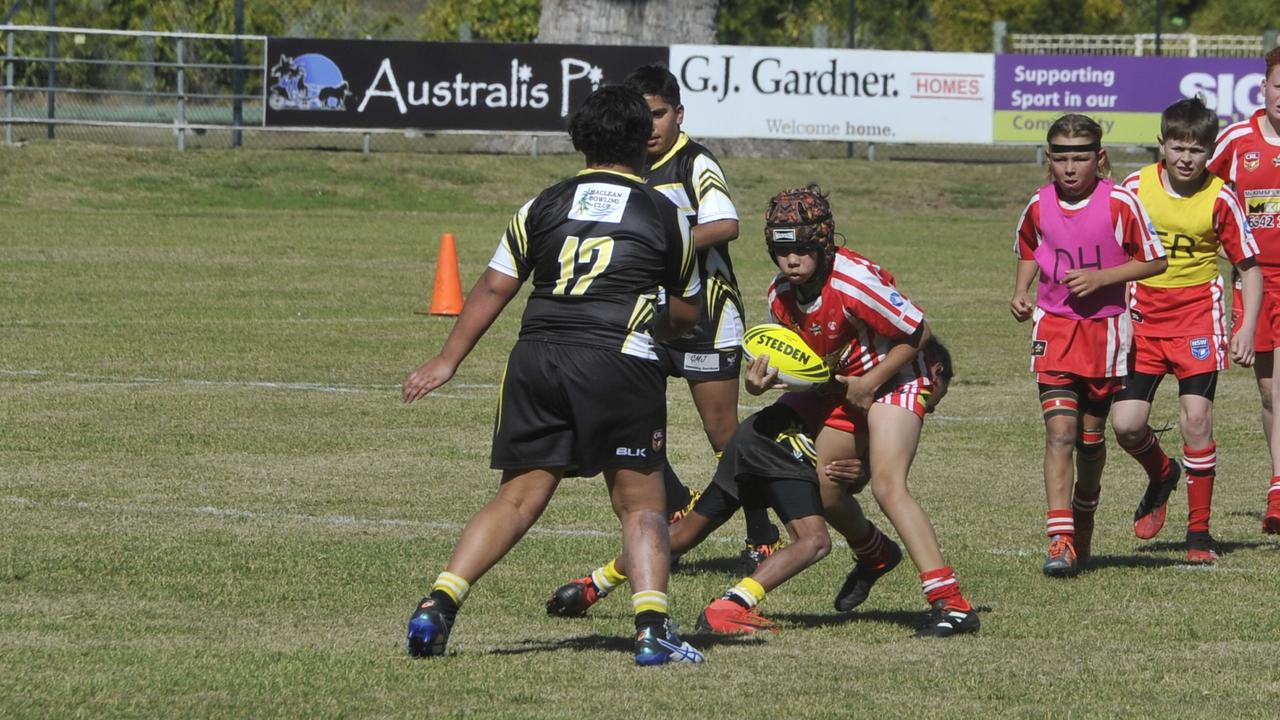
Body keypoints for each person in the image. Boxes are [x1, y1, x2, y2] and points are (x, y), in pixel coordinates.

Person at [400, 85, 706, 666]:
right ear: (645, 140)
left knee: (517, 497)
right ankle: (651, 631)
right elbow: (688, 312)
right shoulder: (667, 214)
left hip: (536, 355)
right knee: (642, 503)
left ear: (579, 140)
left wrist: (447, 360)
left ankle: (438, 604)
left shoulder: (540, 204)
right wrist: (659, 327)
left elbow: (494, 285)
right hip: (619, 358)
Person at [545, 340, 955, 637]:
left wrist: (856, 471)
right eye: (932, 402)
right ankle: (732, 605)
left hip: (751, 437)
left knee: (682, 534)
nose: (925, 410)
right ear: (934, 373)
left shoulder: (852, 364)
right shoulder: (888, 392)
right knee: (812, 541)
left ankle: (590, 586)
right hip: (783, 447)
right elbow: (838, 464)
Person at [758, 185, 978, 637]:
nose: (791, 261)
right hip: (848, 388)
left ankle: (952, 604)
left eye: (801, 249)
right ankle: (874, 552)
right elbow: (805, 363)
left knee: (887, 485)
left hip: (898, 377)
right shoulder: (779, 297)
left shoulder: (855, 282)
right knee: (822, 487)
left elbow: (917, 334)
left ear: (822, 243)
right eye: (782, 251)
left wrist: (872, 384)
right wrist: (762, 378)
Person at [624, 64, 784, 572]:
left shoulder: (694, 161)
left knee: (724, 437)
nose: (651, 127)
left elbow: (727, 223)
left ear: (679, 114)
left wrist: (663, 244)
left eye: (660, 115)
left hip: (707, 318)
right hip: (650, 316)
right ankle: (677, 498)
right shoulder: (627, 164)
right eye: (642, 116)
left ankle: (763, 532)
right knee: (625, 419)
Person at [1010, 114, 1168, 576]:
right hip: (1055, 330)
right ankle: (1060, 539)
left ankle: (1083, 522)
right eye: (1061, 158)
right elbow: (1028, 248)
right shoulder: (1038, 205)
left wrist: (1102, 277)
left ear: (1099, 158)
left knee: (1091, 442)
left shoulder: (1121, 203)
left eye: (1081, 157)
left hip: (1106, 333)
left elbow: (1155, 261)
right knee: (1060, 432)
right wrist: (1021, 292)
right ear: (1048, 159)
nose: (1071, 167)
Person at [1112, 97, 1262, 563]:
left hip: (1197, 318)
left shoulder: (1221, 197)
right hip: (1142, 320)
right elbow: (1113, 255)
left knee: (1196, 419)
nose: (1185, 158)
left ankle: (1199, 535)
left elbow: (1249, 268)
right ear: (1162, 145)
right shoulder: (1135, 187)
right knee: (1126, 424)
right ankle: (1161, 473)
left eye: (1196, 151)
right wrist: (1117, 315)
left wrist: (1246, 325)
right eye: (1177, 147)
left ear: (1209, 151)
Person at [1208, 46, 1280, 533]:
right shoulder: (1237, 140)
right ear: (1265, 89)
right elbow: (1198, 192)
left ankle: (1279, 490)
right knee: (1272, 393)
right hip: (1258, 281)